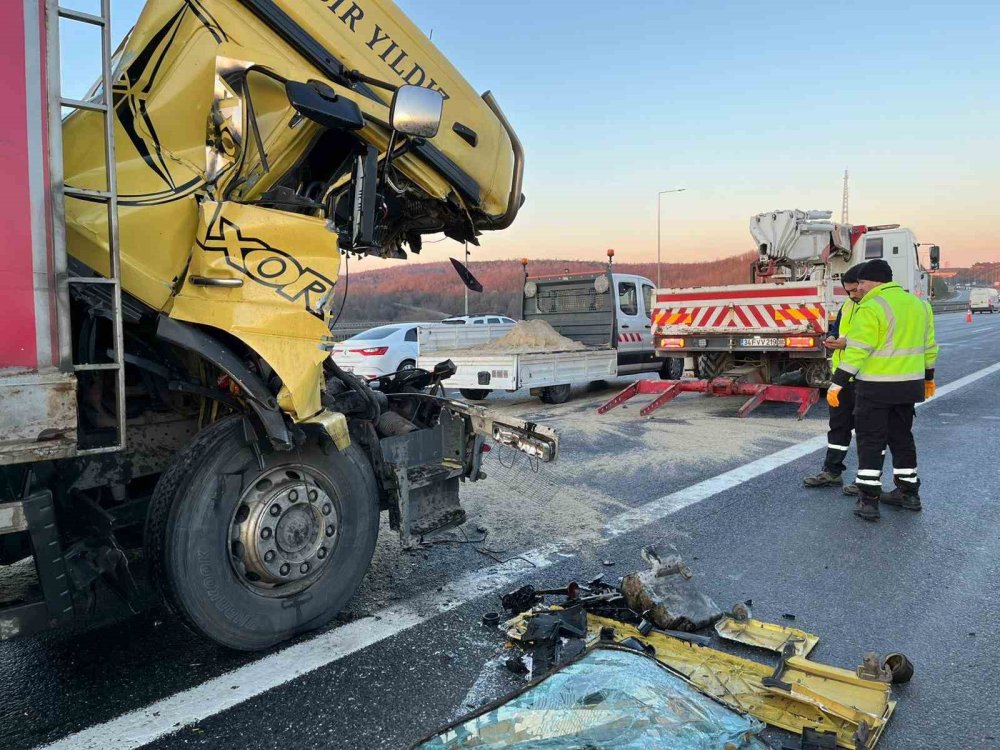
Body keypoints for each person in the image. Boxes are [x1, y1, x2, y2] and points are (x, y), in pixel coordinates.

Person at [827, 259, 939, 521]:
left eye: (862, 283)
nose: (859, 289)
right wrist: (928, 378)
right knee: (902, 439)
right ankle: (909, 494)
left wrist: (838, 382)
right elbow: (930, 346)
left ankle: (868, 500)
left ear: (874, 281)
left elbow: (858, 351)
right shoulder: (921, 305)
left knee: (870, 441)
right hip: (909, 387)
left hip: (875, 388)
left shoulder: (872, 306)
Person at [802, 262, 866, 492]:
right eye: (848, 291)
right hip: (843, 377)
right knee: (838, 426)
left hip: (868, 378)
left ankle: (866, 481)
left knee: (868, 432)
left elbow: (875, 340)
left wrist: (846, 342)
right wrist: (832, 338)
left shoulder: (877, 307)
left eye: (855, 289)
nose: (852, 295)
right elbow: (837, 329)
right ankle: (832, 471)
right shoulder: (848, 306)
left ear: (866, 284)